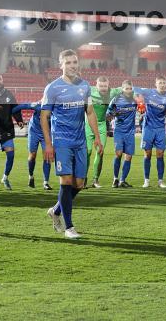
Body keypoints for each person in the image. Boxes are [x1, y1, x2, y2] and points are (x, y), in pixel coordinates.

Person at [42, 50, 103, 239]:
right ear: (61, 65)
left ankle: (56, 210)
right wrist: (48, 144)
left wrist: (97, 137)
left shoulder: (85, 86)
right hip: (61, 141)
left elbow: (90, 112)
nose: (72, 65)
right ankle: (69, 228)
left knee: (79, 184)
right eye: (68, 62)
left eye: (74, 62)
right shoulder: (52, 88)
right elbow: (44, 117)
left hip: (80, 141)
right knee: (66, 182)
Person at [133, 76, 166, 189]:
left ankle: (160, 181)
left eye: (164, 83)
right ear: (156, 84)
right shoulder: (148, 92)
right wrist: (139, 100)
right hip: (148, 127)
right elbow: (134, 88)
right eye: (160, 83)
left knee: (160, 154)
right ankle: (146, 180)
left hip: (160, 128)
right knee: (147, 154)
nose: (162, 85)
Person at [0, 72, 23, 191]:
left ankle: (5, 177)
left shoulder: (8, 94)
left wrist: (19, 120)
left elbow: (15, 108)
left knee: (11, 155)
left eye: (0, 79)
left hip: (6, 129)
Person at [86, 76, 117, 188]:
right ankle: (83, 178)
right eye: (101, 86)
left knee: (100, 152)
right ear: (96, 85)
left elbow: (125, 89)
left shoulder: (112, 93)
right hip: (88, 124)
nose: (103, 88)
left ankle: (95, 179)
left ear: (108, 86)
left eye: (105, 86)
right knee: (87, 151)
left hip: (102, 125)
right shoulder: (89, 90)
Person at [107, 80, 139, 188]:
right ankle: (115, 179)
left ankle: (122, 180)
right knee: (118, 154)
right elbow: (108, 114)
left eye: (130, 89)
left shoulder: (135, 100)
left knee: (128, 156)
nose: (129, 91)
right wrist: (113, 113)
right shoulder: (116, 99)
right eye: (126, 89)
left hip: (130, 132)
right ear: (122, 89)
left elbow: (141, 108)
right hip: (119, 131)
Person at [15, 101, 50, 189]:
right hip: (34, 131)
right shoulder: (38, 106)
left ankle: (46, 182)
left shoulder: (56, 109)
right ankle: (31, 176)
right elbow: (22, 106)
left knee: (47, 156)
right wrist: (9, 113)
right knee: (32, 155)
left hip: (46, 133)